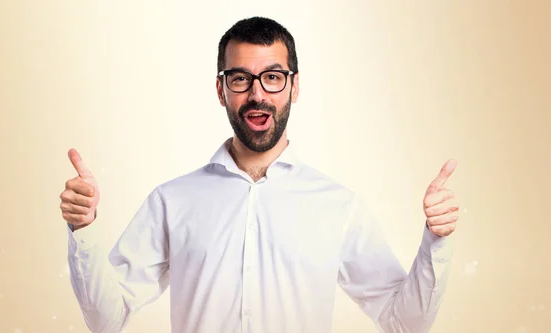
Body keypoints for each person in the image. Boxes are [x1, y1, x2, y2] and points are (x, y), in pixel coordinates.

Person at [60, 16, 460, 333]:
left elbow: (404, 323)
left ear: (294, 86)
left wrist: (436, 242)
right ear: (221, 90)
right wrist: (85, 228)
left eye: (272, 76)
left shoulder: (338, 206)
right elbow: (106, 320)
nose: (257, 94)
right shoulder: (172, 201)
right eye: (240, 79)